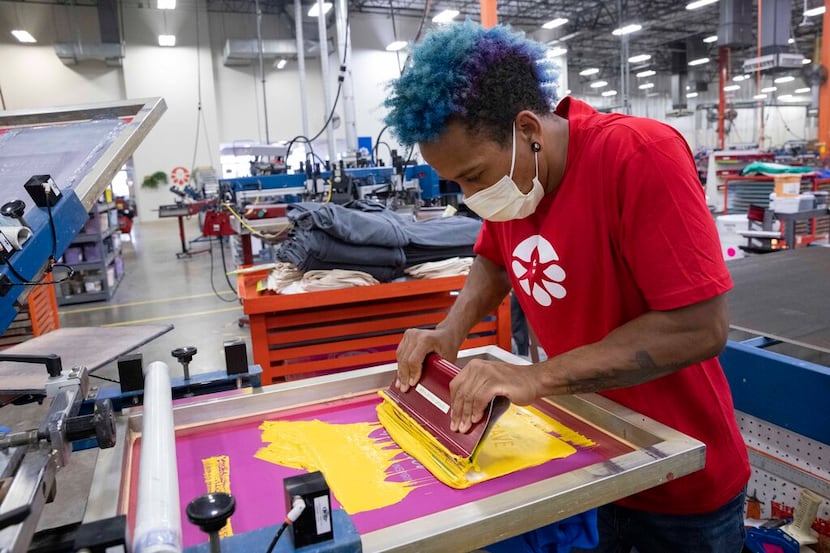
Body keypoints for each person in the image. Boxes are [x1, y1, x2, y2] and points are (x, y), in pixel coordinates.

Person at [384, 20, 750, 553]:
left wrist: (537, 377)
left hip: (680, 483)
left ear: (529, 128)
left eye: (474, 176)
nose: (471, 196)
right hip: (588, 461)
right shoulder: (516, 182)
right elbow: (494, 261)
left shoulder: (637, 156)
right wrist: (449, 333)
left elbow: (701, 328)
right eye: (457, 182)